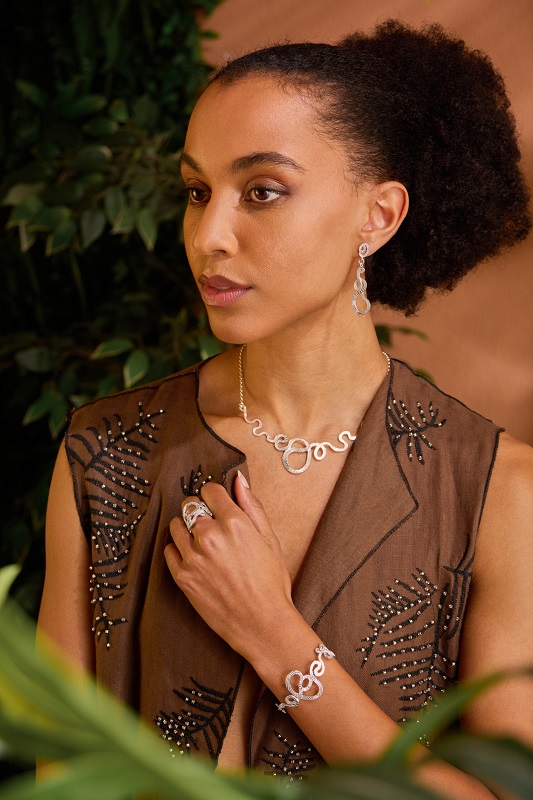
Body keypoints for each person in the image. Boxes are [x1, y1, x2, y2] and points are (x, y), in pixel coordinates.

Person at [38, 20, 533, 798]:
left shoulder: (495, 490)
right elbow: (63, 776)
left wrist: (274, 637)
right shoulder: (107, 454)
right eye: (197, 192)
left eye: (262, 191)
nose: (209, 235)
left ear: (378, 215)